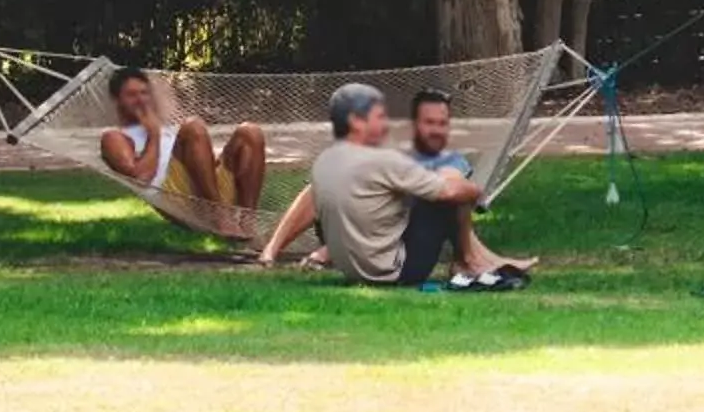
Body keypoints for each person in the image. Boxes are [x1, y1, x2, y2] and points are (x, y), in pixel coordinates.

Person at [256, 83, 518, 289]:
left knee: (414, 192)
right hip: (395, 271)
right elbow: (450, 191)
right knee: (446, 193)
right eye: (378, 116)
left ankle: (276, 251)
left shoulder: (326, 162)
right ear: (357, 121)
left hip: (351, 268)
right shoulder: (386, 160)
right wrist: (476, 190)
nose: (384, 123)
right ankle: (469, 262)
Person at [99, 67, 267, 241]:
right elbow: (141, 178)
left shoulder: (166, 127)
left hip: (206, 189)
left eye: (144, 93)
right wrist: (154, 134)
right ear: (117, 99)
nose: (141, 100)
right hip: (175, 197)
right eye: (132, 95)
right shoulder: (114, 136)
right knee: (193, 126)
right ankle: (219, 214)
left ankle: (248, 222)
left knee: (250, 133)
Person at [408, 87, 536, 281]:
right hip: (400, 254)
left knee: (453, 186)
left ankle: (475, 259)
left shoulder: (451, 159)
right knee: (453, 191)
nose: (436, 130)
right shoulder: (399, 162)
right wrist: (473, 192)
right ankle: (471, 260)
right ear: (415, 124)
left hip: (418, 251)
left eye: (442, 123)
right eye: (429, 122)